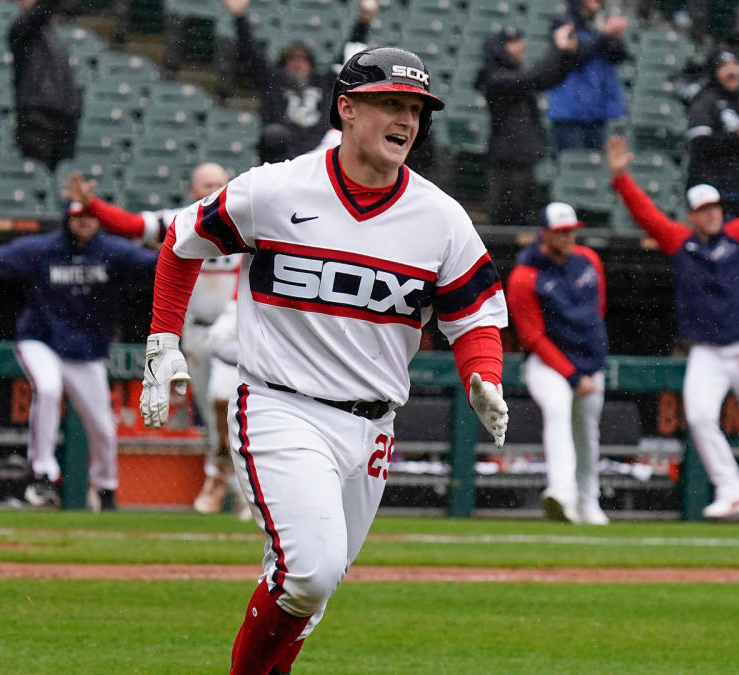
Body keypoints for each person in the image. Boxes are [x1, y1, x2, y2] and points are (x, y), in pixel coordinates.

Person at [138, 47, 510, 673]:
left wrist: (485, 373)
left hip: (373, 428)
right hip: (281, 405)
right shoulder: (276, 189)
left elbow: (474, 316)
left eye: (415, 109)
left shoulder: (441, 219)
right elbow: (181, 242)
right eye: (391, 103)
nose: (407, 120)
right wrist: (162, 343)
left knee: (309, 595)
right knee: (310, 571)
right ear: (347, 108)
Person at [606, 135, 739, 528]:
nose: (711, 214)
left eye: (714, 207)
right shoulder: (680, 242)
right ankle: (730, 491)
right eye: (703, 209)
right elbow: (647, 215)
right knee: (697, 416)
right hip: (707, 350)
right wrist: (620, 178)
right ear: (692, 215)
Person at [65, 164, 252, 520]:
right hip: (196, 330)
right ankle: (234, 487)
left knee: (226, 402)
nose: (213, 189)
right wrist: (92, 206)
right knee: (213, 418)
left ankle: (222, 481)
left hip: (237, 326)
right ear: (192, 189)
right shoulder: (183, 219)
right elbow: (134, 226)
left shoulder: (245, 217)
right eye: (206, 184)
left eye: (219, 183)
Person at [0, 203, 159, 511]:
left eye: (90, 217)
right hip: (41, 339)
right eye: (78, 217)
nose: (84, 223)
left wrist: (183, 247)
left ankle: (105, 489)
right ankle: (41, 474)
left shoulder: (112, 250)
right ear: (67, 219)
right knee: (49, 389)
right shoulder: (43, 248)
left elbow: (156, 264)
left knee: (103, 427)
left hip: (86, 349)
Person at [506, 203, 609, 525]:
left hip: (588, 363)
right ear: (545, 233)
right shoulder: (525, 275)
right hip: (546, 364)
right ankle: (561, 493)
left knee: (587, 433)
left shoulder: (589, 260)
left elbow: (598, 311)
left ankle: (588, 502)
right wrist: (572, 375)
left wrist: (589, 367)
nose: (567, 237)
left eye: (571, 230)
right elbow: (532, 336)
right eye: (560, 231)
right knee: (558, 412)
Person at [223, 0, 376, 163]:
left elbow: (347, 57)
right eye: (292, 60)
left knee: (341, 136)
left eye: (303, 60)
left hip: (319, 149)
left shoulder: (324, 82)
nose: (298, 64)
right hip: (283, 154)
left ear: (311, 64)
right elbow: (250, 53)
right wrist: (239, 17)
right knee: (274, 134)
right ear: (283, 64)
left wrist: (363, 21)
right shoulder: (273, 81)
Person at [474, 24, 579, 227]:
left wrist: (566, 56)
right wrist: (557, 48)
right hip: (506, 162)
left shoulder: (514, 75)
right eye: (512, 43)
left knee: (524, 217)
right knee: (505, 221)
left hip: (523, 159)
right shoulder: (494, 76)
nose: (520, 46)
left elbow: (546, 79)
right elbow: (532, 78)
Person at [685, 49, 739, 220]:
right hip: (709, 195)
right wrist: (738, 138)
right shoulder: (705, 100)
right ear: (714, 72)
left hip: (736, 194)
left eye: (735, 65)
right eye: (724, 66)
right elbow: (699, 145)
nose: (732, 71)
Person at [8, 0, 83, 172]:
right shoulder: (19, 28)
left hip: (62, 120)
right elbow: (41, 10)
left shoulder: (51, 35)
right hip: (37, 119)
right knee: (38, 176)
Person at [545, 0, 629, 152]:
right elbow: (575, 55)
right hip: (569, 112)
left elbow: (619, 56)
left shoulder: (599, 22)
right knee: (571, 165)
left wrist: (614, 37)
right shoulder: (564, 21)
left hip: (597, 112)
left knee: (595, 169)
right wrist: (604, 34)